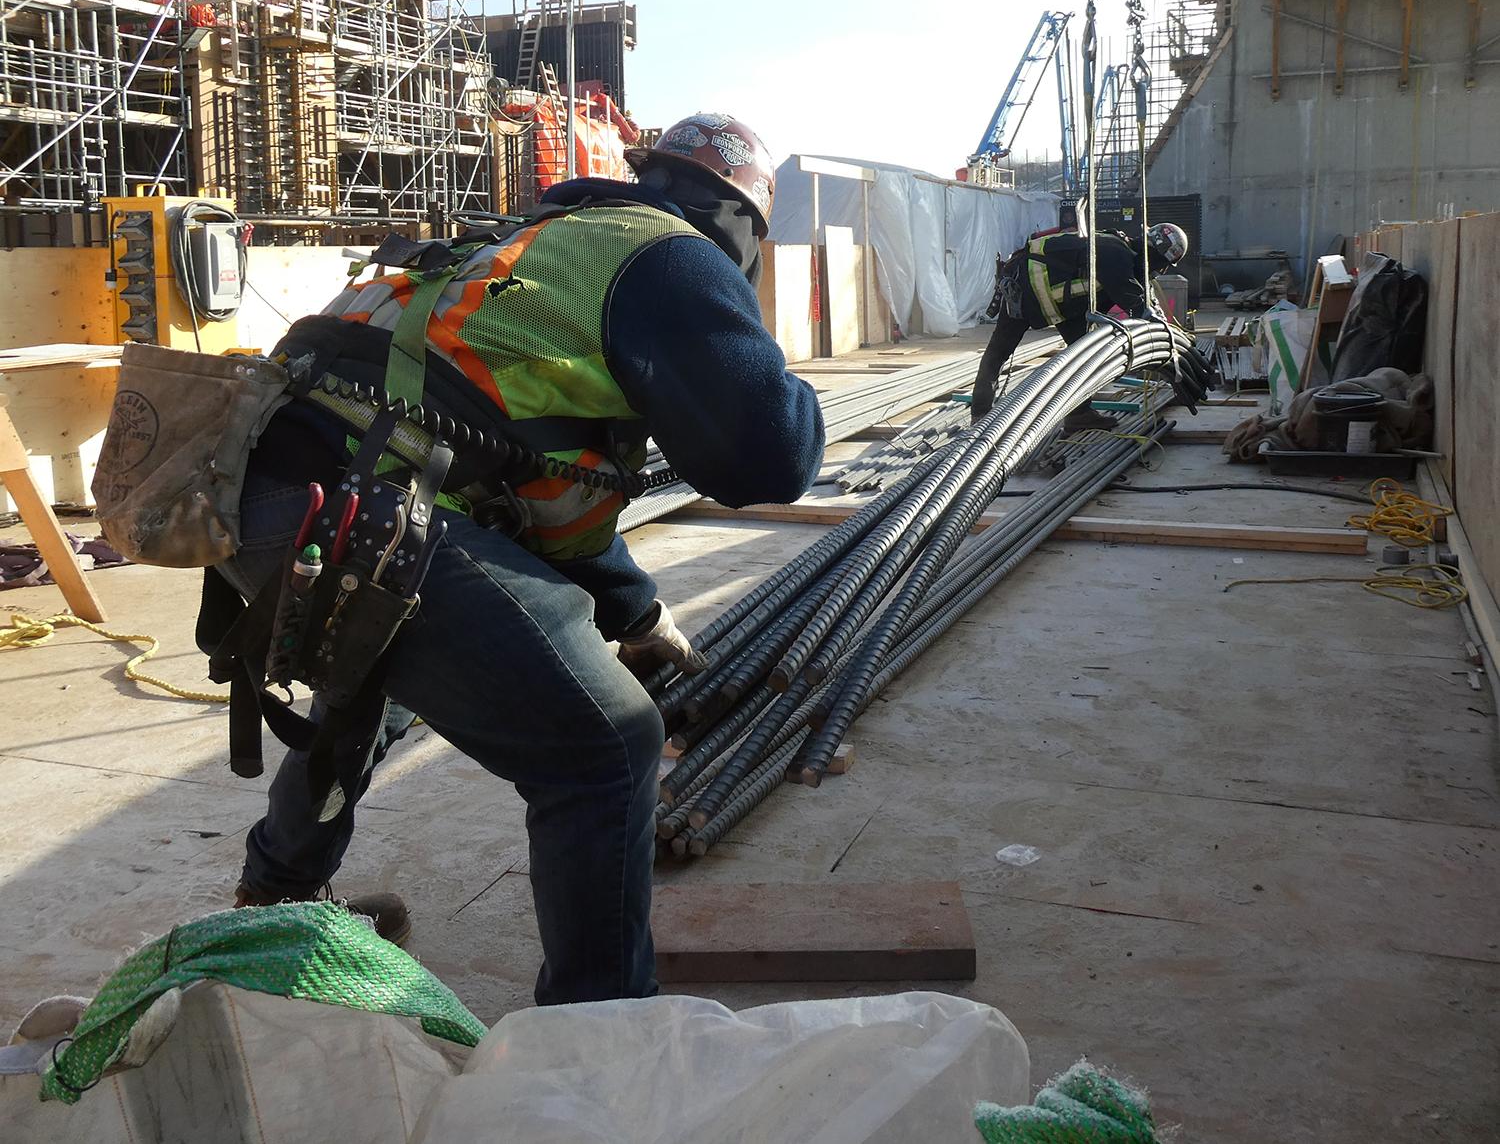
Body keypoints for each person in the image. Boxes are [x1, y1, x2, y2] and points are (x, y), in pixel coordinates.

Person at [215, 112, 824, 1004]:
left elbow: (538, 492)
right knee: (609, 745)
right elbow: (764, 457)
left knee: (374, 671)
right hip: (367, 506)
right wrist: (768, 348)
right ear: (742, 224)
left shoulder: (537, 238)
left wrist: (640, 616)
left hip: (263, 491)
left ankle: (272, 903)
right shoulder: (667, 256)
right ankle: (597, 1037)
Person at [969, 219, 1189, 422]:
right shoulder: (1117, 254)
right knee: (998, 353)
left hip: (1062, 305)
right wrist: (1156, 325)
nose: (1161, 271)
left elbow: (1138, 294)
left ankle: (1079, 414)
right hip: (1023, 291)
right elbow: (1132, 300)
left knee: (1083, 357)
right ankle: (980, 414)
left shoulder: (1124, 253)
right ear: (1155, 254)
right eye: (1162, 265)